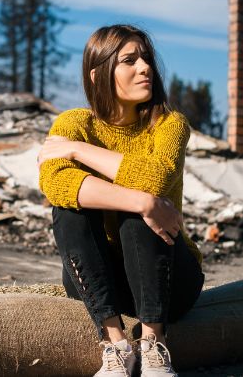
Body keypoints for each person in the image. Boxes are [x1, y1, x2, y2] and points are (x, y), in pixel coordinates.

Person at [37, 24, 204, 377]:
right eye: (129, 60)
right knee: (70, 208)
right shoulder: (74, 123)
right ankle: (115, 345)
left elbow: (156, 175)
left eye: (146, 58)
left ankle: (154, 346)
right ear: (98, 75)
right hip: (105, 281)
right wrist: (142, 202)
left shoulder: (170, 124)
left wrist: (78, 151)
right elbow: (55, 183)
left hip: (169, 277)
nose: (145, 67)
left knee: (140, 214)